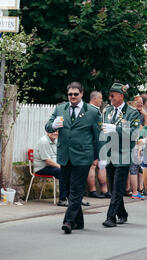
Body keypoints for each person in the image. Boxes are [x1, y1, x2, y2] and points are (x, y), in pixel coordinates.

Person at [46, 81, 102, 234]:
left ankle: (68, 221)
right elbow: (48, 125)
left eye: (75, 94)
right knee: (70, 191)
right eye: (70, 94)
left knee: (76, 189)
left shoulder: (91, 111)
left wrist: (100, 157)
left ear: (82, 94)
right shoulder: (60, 108)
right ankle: (79, 221)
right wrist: (53, 126)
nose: (72, 96)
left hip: (84, 155)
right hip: (65, 155)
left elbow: (98, 136)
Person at [100, 83, 141, 228]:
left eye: (113, 95)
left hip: (123, 154)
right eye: (109, 94)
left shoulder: (132, 112)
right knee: (113, 188)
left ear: (121, 96)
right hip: (110, 153)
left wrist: (116, 128)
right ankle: (122, 213)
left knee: (117, 187)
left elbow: (134, 133)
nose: (110, 97)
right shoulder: (107, 110)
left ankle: (110, 217)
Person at [33, 130, 68, 206]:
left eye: (56, 131)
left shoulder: (55, 141)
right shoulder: (44, 141)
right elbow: (47, 161)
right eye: (52, 131)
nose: (55, 133)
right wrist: (61, 166)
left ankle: (73, 197)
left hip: (52, 167)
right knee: (62, 171)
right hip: (42, 168)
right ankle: (62, 199)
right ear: (47, 132)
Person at [87, 90, 110, 199]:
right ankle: (93, 191)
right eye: (100, 99)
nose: (101, 101)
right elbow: (97, 130)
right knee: (94, 165)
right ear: (95, 99)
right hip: (94, 142)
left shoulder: (87, 109)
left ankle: (104, 191)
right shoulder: (94, 111)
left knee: (101, 165)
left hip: (95, 142)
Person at [128, 96, 147, 200]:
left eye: (141, 102)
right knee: (134, 168)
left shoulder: (141, 115)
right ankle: (134, 192)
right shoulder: (133, 114)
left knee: (138, 167)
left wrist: (145, 115)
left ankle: (138, 189)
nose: (140, 104)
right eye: (138, 102)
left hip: (140, 143)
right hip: (135, 144)